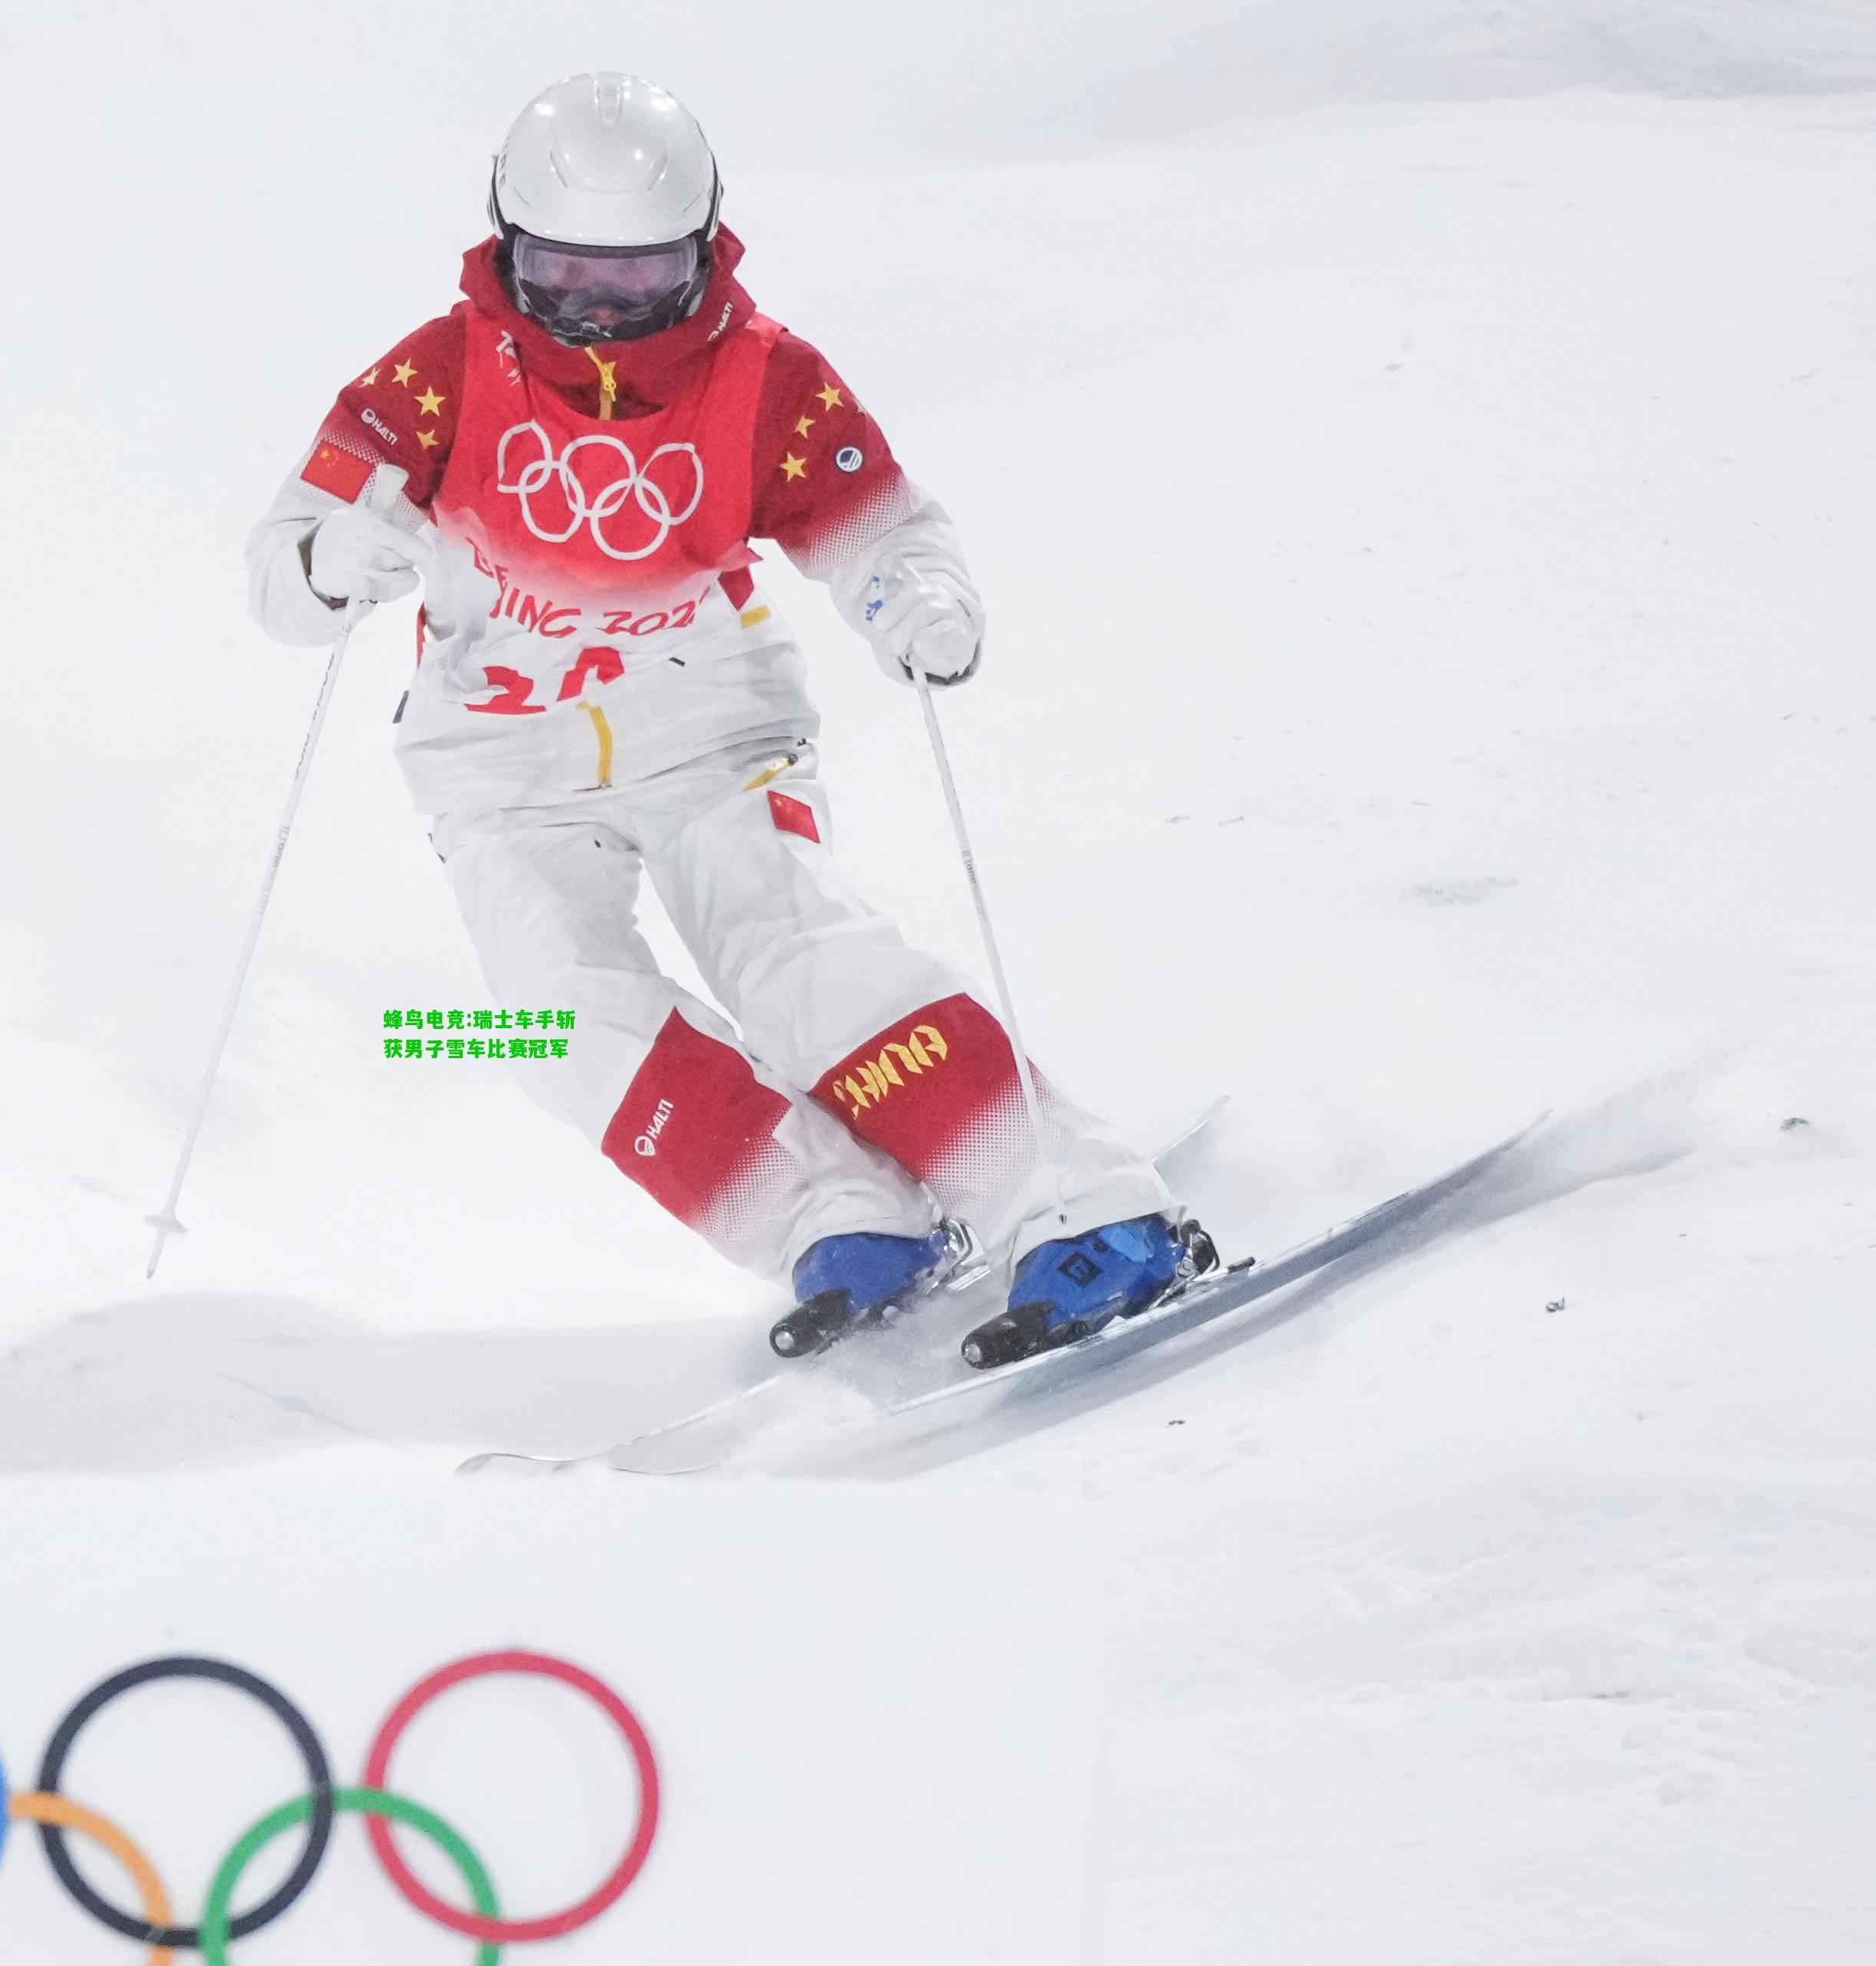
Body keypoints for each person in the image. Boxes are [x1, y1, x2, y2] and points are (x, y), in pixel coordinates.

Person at [244, 71, 1206, 1367]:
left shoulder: (761, 379)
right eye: (560, 272)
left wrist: (911, 599)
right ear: (502, 245)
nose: (593, 316)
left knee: (794, 954)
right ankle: (838, 1215)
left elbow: (880, 523)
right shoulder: (439, 377)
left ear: (700, 250)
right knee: (549, 1024)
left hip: (709, 729)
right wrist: (326, 560)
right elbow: (284, 576)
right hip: (500, 766)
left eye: (633, 281)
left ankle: (1082, 1207)